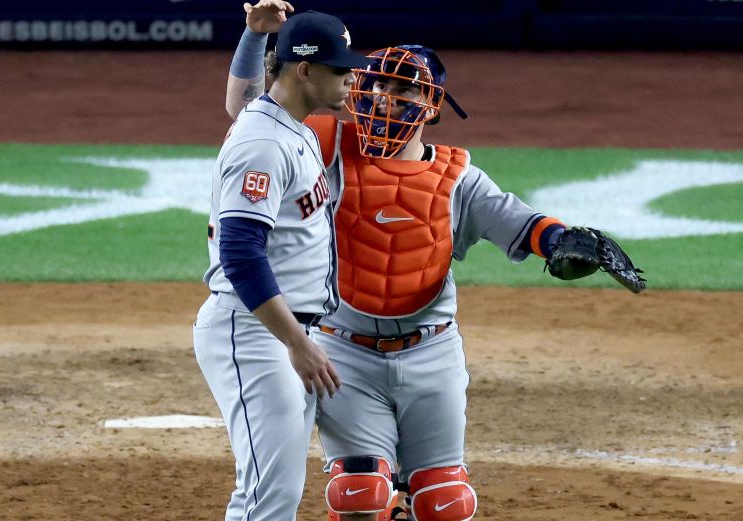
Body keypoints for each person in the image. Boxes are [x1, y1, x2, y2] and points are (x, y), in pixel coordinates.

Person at [225, 4, 596, 521]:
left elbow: (520, 221)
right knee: (359, 494)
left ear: (432, 106)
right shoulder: (325, 145)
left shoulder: (457, 177)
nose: (385, 97)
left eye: (403, 90)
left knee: (444, 501)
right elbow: (251, 108)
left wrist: (559, 243)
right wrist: (252, 37)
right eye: (378, 85)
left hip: (432, 352)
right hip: (343, 353)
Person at [193, 6, 372, 521]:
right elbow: (241, 254)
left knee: (273, 494)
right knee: (266, 499)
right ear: (304, 70)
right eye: (340, 70)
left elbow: (242, 100)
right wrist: (297, 343)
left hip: (280, 329)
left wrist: (252, 35)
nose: (350, 79)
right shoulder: (264, 144)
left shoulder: (281, 120)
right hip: (258, 331)